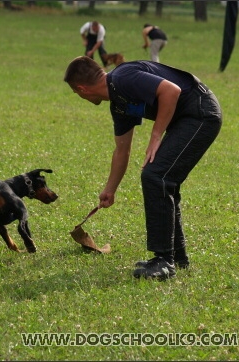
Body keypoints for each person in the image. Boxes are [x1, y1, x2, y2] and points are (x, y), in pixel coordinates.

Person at [64, 56, 222, 280]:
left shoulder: (122, 78)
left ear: (81, 89)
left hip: (200, 113)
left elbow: (171, 91)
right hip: (188, 118)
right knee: (162, 179)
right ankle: (176, 257)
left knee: (156, 176)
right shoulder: (119, 104)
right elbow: (122, 150)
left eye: (76, 93)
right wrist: (110, 189)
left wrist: (156, 135)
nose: (79, 96)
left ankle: (164, 261)